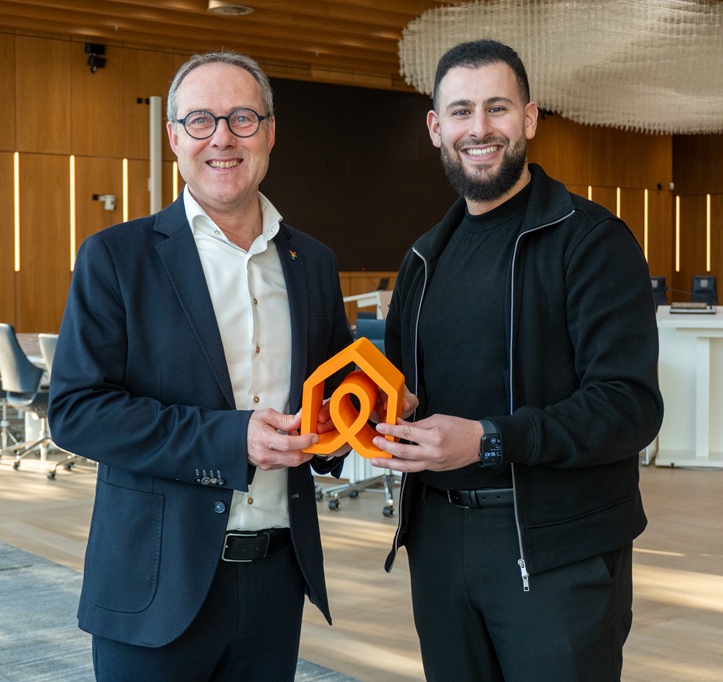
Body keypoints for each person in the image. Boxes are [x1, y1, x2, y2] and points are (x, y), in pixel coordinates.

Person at [47, 51, 355, 681]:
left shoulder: (313, 263)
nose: (222, 137)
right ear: (173, 138)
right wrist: (230, 438)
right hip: (156, 580)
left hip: (276, 581)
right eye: (200, 120)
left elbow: (327, 397)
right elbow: (77, 411)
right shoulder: (116, 257)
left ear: (269, 133)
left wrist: (362, 416)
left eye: (242, 118)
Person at [370, 40, 664, 681]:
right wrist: (380, 421)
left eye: (497, 108)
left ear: (529, 119)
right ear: (436, 129)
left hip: (555, 545)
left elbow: (628, 406)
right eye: (461, 112)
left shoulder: (591, 242)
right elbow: (404, 394)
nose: (479, 129)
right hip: (439, 540)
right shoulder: (423, 260)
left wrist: (488, 441)